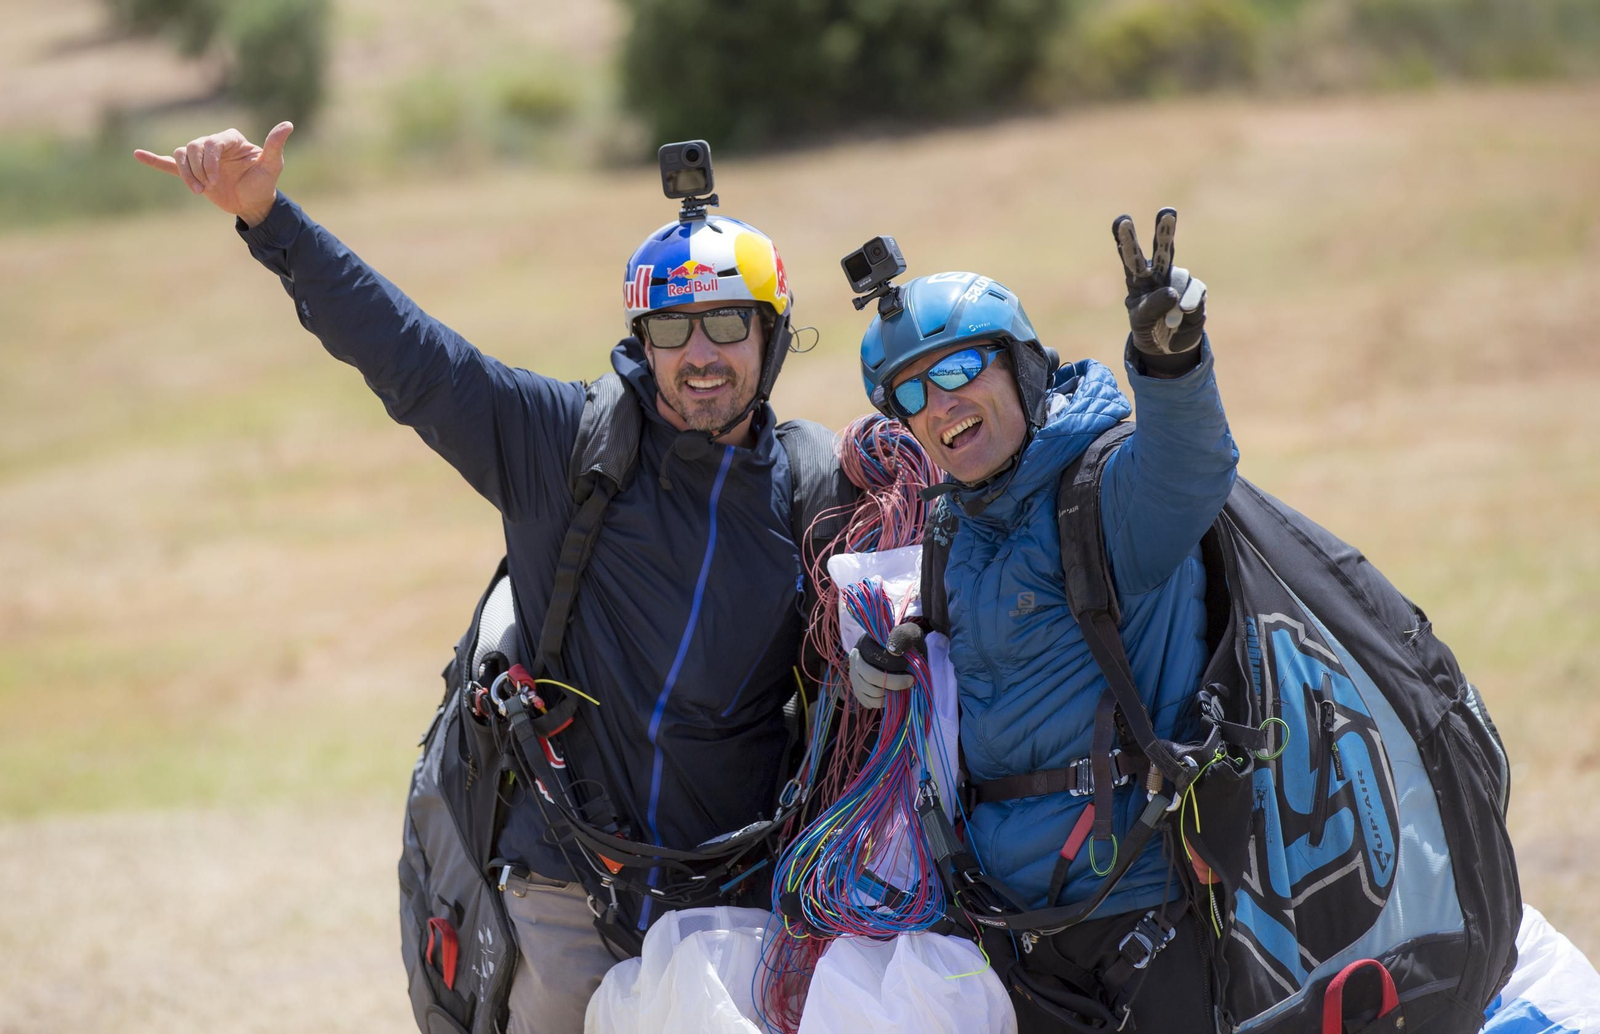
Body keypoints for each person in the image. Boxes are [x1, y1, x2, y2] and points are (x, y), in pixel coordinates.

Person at [133, 122, 842, 1034]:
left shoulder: (817, 488)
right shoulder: (557, 446)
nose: (700, 351)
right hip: (564, 895)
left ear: (772, 333)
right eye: (673, 325)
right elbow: (410, 356)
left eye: (727, 322)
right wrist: (270, 218)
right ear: (643, 337)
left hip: (734, 906)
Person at [848, 211, 1238, 1032]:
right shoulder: (956, 526)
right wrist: (905, 654)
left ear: (1022, 364)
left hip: (1138, 902)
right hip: (1010, 926)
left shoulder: (1105, 492)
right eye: (910, 393)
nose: (938, 404)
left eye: (957, 367)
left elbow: (1189, 470)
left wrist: (1170, 365)